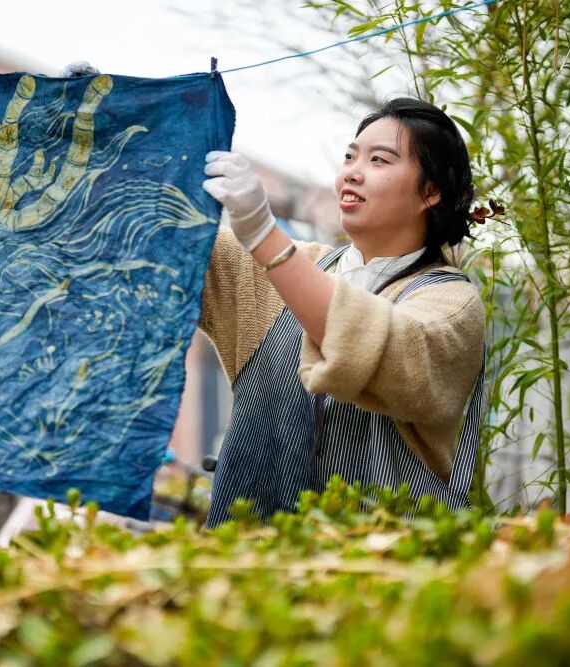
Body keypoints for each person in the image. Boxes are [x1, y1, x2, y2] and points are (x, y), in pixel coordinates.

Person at [199, 98, 485, 526]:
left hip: (381, 571)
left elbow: (388, 348)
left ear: (431, 191)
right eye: (350, 156)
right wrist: (96, 131)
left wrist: (264, 233)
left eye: (378, 160)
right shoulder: (284, 267)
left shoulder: (451, 302)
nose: (352, 170)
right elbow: (166, 236)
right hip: (244, 566)